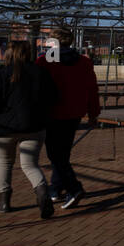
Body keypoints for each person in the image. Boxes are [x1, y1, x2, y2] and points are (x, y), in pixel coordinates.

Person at [0, 41, 57, 218]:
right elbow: (53, 98)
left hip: (5, 128)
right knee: (30, 164)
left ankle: (3, 202)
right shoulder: (41, 73)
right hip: (34, 126)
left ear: (8, 54)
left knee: (4, 162)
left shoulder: (1, 75)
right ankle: (42, 193)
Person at [36, 27, 99, 208]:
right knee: (62, 152)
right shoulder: (83, 63)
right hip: (75, 113)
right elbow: (92, 89)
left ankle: (74, 188)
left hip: (53, 113)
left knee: (55, 155)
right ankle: (56, 188)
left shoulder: (45, 62)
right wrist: (93, 113)